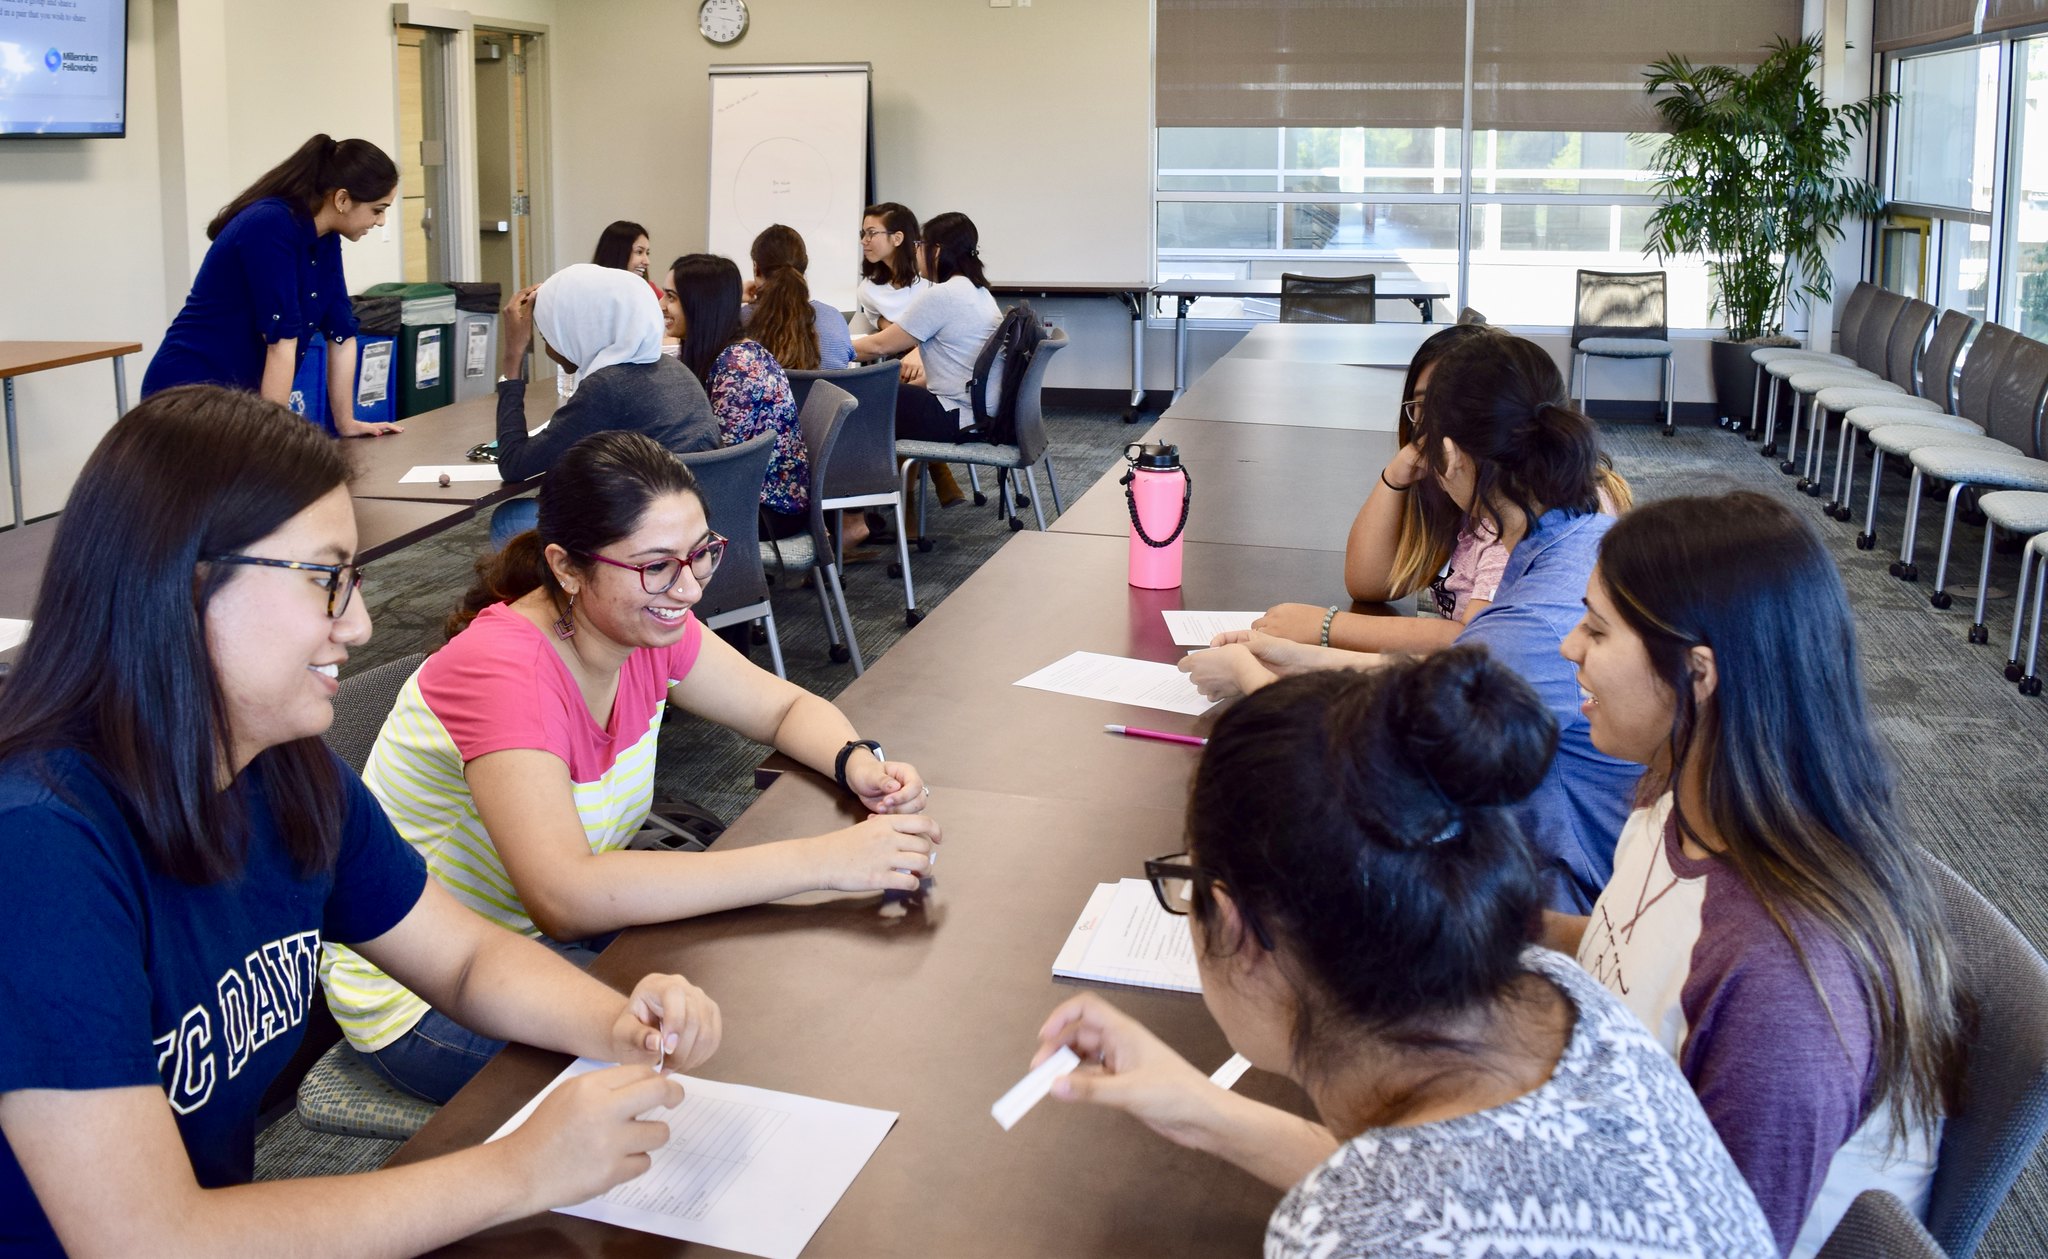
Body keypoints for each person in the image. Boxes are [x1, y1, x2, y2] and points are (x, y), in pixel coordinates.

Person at [0, 387, 721, 1257]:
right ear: (181, 582)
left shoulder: (285, 772)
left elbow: (462, 957)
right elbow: (145, 1237)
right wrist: (520, 1168)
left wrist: (617, 1024)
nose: (362, 624)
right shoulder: (42, 845)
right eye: (326, 580)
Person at [1029, 655, 1776, 1258]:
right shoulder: (1563, 995)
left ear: (1232, 923)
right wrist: (1202, 1111)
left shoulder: (1345, 1235)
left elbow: (1395, 1210)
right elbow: (1447, 1183)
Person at [321, 430, 941, 1104]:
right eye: (656, 565)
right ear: (566, 567)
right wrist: (826, 860)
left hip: (526, 944)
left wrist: (856, 761)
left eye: (701, 553)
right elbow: (566, 896)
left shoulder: (642, 622)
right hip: (427, 990)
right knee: (715, 1074)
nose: (689, 587)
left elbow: (783, 708)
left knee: (763, 990)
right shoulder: (505, 669)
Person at [1550, 492, 1965, 1257]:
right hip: (1621, 1151)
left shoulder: (1782, 983)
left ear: (1697, 673)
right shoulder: (1682, 798)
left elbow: (1722, 1242)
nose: (1571, 646)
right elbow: (1634, 958)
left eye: (1598, 629)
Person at [1183, 331, 1641, 912]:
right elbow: (1455, 675)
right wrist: (1307, 660)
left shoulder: (1533, 627)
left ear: (1448, 455)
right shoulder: (1576, 533)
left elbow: (1375, 769)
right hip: (1570, 845)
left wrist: (1250, 684)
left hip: (1555, 892)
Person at [142, 134, 404, 438]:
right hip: (188, 396)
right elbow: (281, 341)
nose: (382, 221)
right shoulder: (270, 224)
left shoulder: (325, 237)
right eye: (377, 209)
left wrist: (346, 423)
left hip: (239, 401)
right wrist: (274, 441)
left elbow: (342, 333)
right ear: (342, 200)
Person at [489, 263, 721, 547]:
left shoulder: (607, 385)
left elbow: (513, 464)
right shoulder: (674, 369)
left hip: (648, 535)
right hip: (698, 525)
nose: (548, 346)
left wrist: (512, 361)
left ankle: (568, 591)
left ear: (576, 330)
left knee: (509, 519)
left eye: (547, 333)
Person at [848, 210, 1003, 509]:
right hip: (979, 411)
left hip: (959, 415)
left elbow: (879, 346)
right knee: (890, 393)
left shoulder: (942, 295)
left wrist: (825, 348)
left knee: (856, 403)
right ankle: (877, 510)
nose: (916, 251)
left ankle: (857, 515)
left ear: (937, 250)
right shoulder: (978, 290)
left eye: (921, 245)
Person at [665, 253, 809, 540]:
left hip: (765, 510)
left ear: (699, 305)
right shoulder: (723, 354)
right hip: (751, 498)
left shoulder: (738, 366)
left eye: (671, 298)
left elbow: (722, 463)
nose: (661, 306)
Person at [743, 224, 853, 372]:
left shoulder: (740, 321)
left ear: (756, 268)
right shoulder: (834, 319)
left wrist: (736, 296)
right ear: (804, 266)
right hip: (824, 396)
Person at [854, 202, 931, 387]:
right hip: (900, 359)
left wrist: (919, 350)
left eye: (871, 233)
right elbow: (875, 318)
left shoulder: (930, 278)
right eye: (863, 233)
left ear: (897, 238)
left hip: (934, 357)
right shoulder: (868, 288)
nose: (864, 240)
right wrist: (886, 325)